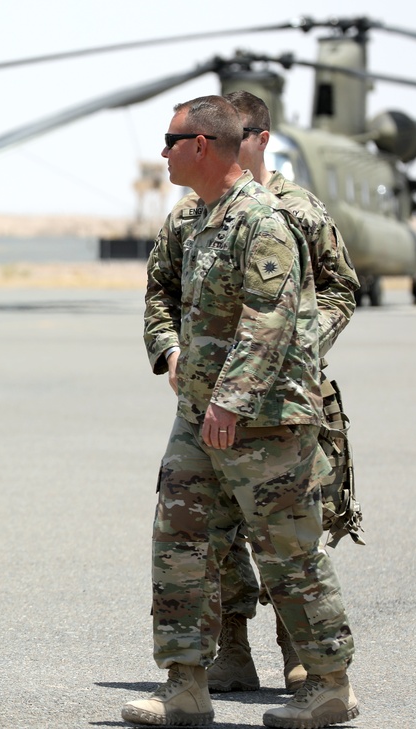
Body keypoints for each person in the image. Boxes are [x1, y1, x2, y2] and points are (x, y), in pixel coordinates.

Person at [122, 96, 358, 728]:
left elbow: (271, 318)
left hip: (265, 417)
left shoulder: (264, 218)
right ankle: (187, 683)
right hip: (199, 416)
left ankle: (329, 681)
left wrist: (232, 397)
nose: (163, 150)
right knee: (179, 540)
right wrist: (173, 355)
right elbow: (162, 296)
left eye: (171, 139)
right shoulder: (197, 218)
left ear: (202, 145)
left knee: (288, 548)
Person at [198, 90, 361, 696]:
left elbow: (343, 287)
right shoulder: (207, 209)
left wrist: (300, 345)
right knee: (215, 533)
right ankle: (232, 650)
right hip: (216, 399)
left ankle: (300, 654)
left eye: (232, 138)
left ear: (259, 139)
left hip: (291, 400)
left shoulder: (297, 210)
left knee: (289, 531)